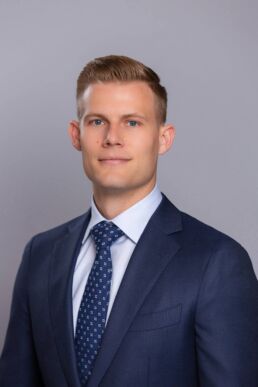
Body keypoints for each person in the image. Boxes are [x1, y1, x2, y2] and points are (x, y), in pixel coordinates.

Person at [0, 55, 258, 387]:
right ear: (76, 134)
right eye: (97, 122)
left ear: (163, 139)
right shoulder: (40, 255)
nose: (112, 137)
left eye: (132, 122)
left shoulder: (217, 262)